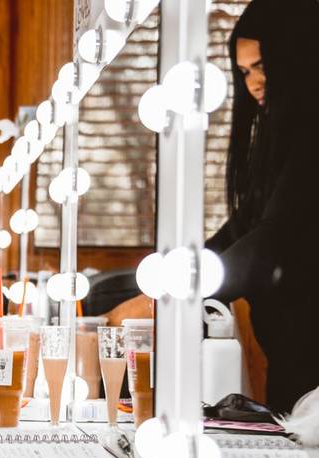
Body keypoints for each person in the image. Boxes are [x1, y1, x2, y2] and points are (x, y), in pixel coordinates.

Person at [108, 0, 319, 414]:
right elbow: (243, 229)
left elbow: (273, 243)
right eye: (243, 72)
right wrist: (165, 280)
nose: (254, 83)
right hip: (290, 354)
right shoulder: (280, 142)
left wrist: (177, 294)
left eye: (263, 67)